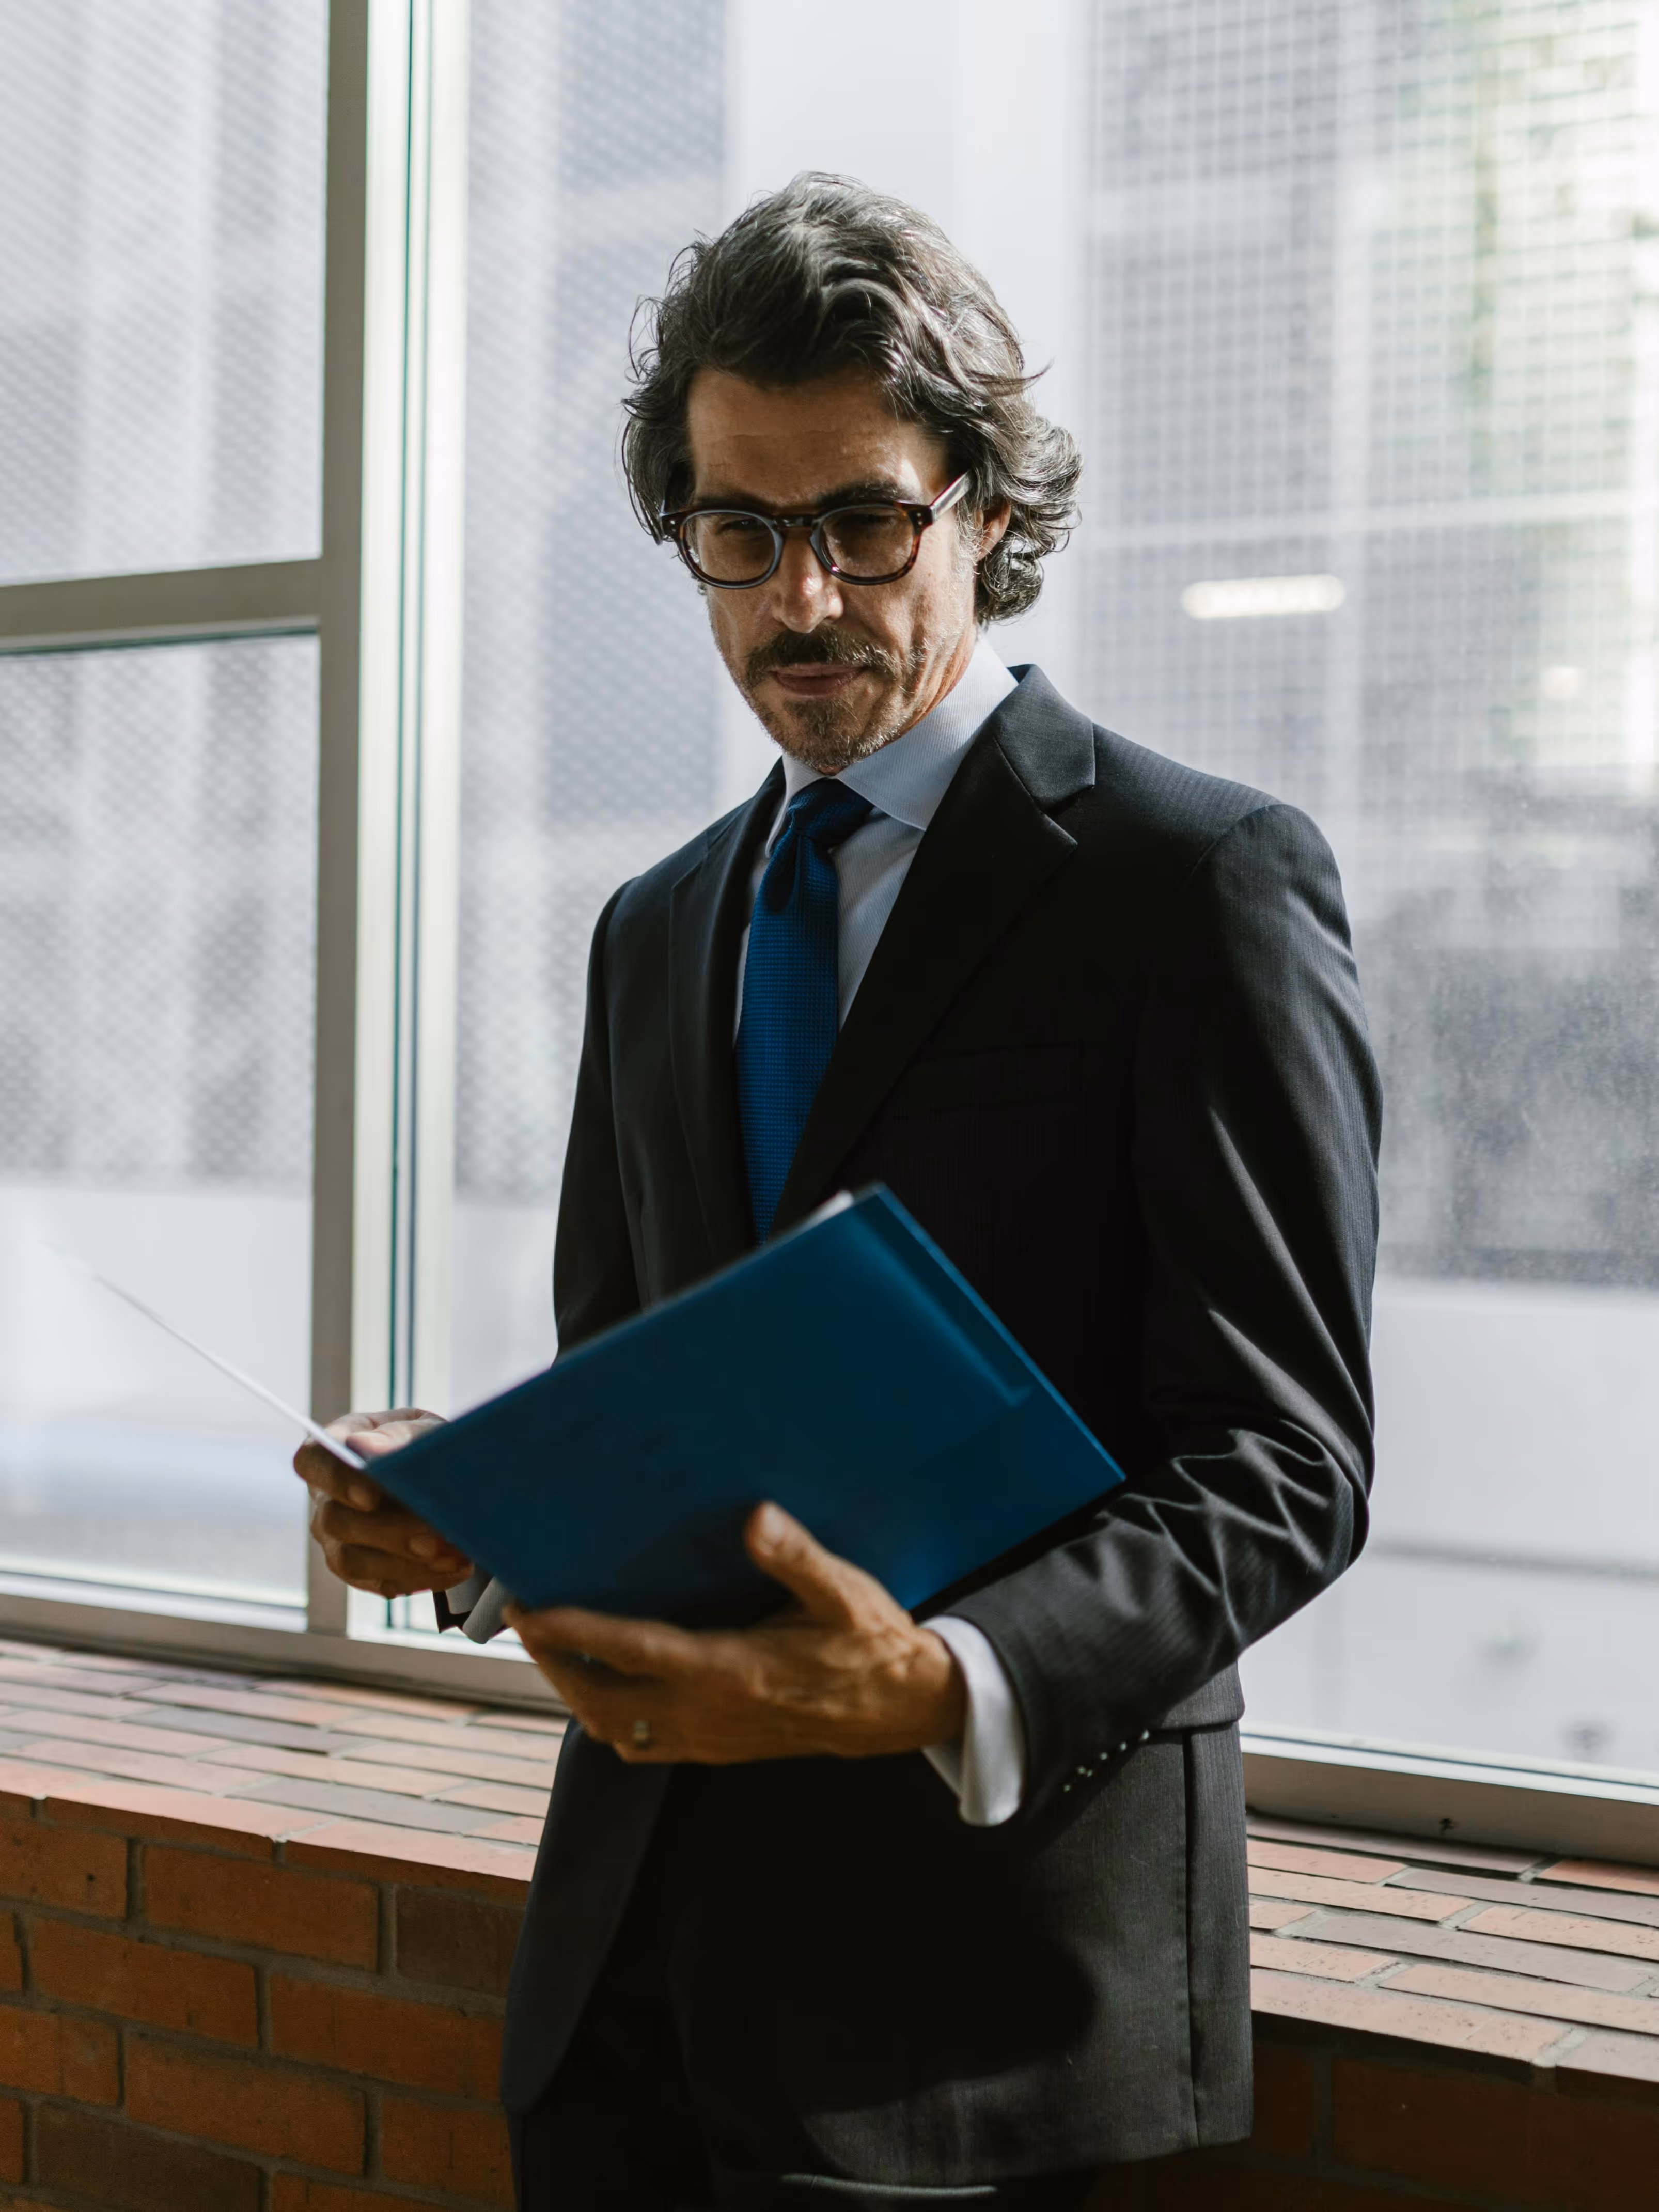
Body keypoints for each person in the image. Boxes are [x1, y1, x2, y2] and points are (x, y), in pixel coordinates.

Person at [296, 174, 1381, 2209]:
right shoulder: (653, 926)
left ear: (980, 506)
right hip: (630, 1985)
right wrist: (467, 1514)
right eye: (736, 530)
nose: (797, 600)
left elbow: (1280, 1460)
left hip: (979, 2014)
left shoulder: (1194, 884)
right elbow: (648, 1392)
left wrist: (931, 1680)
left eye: (862, 522)